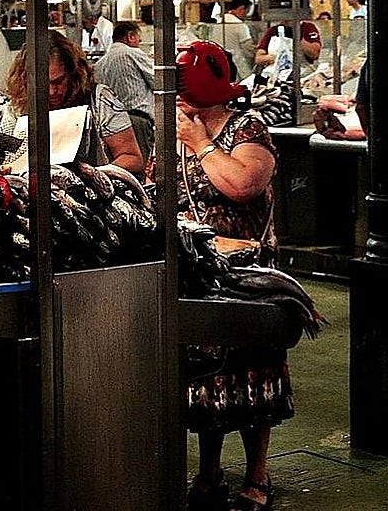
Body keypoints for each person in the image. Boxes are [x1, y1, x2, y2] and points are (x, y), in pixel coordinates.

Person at [172, 40, 286, 511]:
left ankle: (257, 472)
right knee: (206, 377)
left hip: (247, 274)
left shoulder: (248, 128)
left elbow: (243, 185)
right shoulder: (176, 131)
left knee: (252, 368)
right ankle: (209, 468)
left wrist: (200, 144)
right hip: (197, 269)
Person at [0, 29, 145, 176]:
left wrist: (92, 177)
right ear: (26, 80)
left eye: (58, 81)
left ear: (72, 73)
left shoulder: (100, 100)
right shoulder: (16, 108)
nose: (51, 91)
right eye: (42, 83)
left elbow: (132, 158)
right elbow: (5, 162)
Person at [94, 20, 156, 163]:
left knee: (119, 172)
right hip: (137, 123)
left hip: (111, 129)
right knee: (140, 171)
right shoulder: (132, 53)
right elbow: (160, 81)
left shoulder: (99, 64)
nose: (139, 44)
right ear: (130, 36)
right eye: (139, 40)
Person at [253, 19, 322, 84]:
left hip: (302, 77)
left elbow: (314, 54)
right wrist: (278, 58)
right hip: (275, 78)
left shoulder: (308, 27)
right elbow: (258, 58)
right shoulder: (273, 30)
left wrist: (297, 36)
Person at [218, 0, 257, 80]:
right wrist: (257, 54)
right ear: (242, 9)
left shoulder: (220, 21)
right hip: (236, 66)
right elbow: (248, 48)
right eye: (246, 12)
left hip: (218, 65)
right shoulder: (240, 25)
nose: (245, 15)